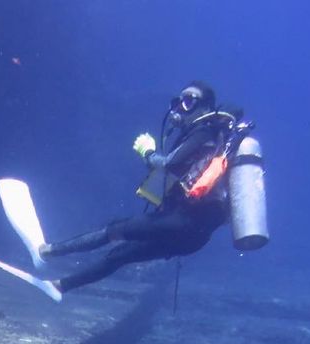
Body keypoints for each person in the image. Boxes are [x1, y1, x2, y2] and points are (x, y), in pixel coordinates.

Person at [39, 81, 250, 294]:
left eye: (188, 101)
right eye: (178, 102)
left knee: (113, 230)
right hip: (194, 235)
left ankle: (48, 251)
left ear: (204, 106)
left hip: (183, 222)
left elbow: (169, 163)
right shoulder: (213, 138)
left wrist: (147, 152)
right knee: (120, 255)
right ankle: (59, 286)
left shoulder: (204, 132)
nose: (179, 108)